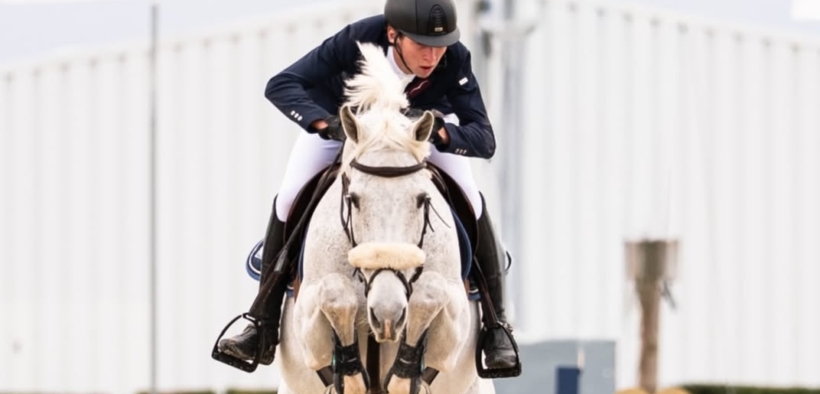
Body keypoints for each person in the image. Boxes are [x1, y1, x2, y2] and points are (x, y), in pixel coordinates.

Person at [217, 0, 518, 372]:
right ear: (393, 34)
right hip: (350, 130)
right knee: (290, 195)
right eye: (422, 44)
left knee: (471, 199)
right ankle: (260, 322)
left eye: (439, 45)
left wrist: (439, 131)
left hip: (416, 138)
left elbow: (484, 139)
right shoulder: (356, 41)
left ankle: (496, 326)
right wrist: (324, 124)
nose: (433, 56)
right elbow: (281, 84)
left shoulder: (454, 56)